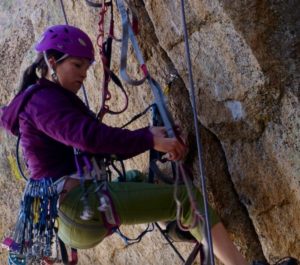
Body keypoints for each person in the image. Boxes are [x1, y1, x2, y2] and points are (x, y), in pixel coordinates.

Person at [0, 24, 251, 265]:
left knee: (136, 179)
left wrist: (150, 136)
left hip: (75, 214)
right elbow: (90, 137)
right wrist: (149, 138)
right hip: (80, 208)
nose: (83, 75)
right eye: (77, 65)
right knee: (187, 200)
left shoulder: (43, 98)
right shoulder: (43, 102)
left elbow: (88, 138)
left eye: (86, 69)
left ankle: (180, 226)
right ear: (52, 62)